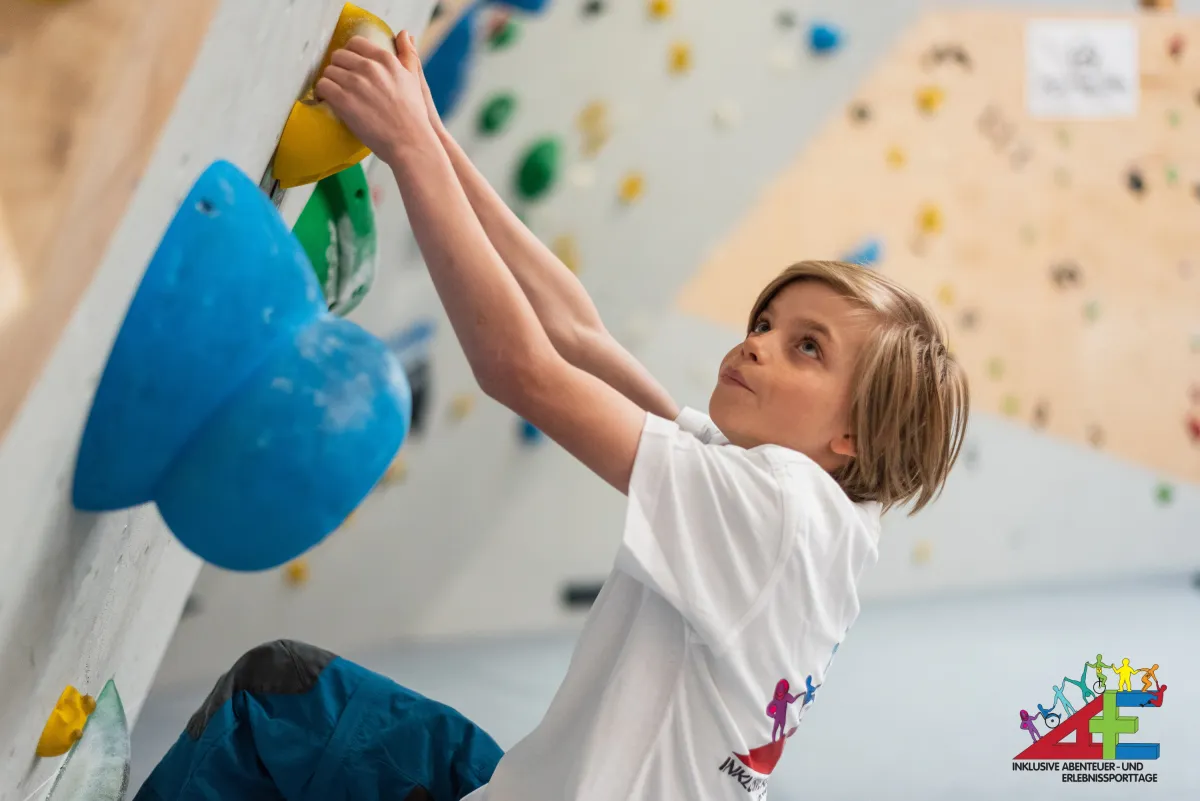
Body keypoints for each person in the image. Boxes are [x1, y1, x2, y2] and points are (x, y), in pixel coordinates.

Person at [137, 30, 969, 801]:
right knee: (291, 693)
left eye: (807, 347)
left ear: (853, 434)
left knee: (274, 704)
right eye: (766, 323)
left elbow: (523, 371)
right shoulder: (815, 508)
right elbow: (577, 334)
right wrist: (431, 133)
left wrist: (409, 148)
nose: (756, 344)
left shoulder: (780, 509)